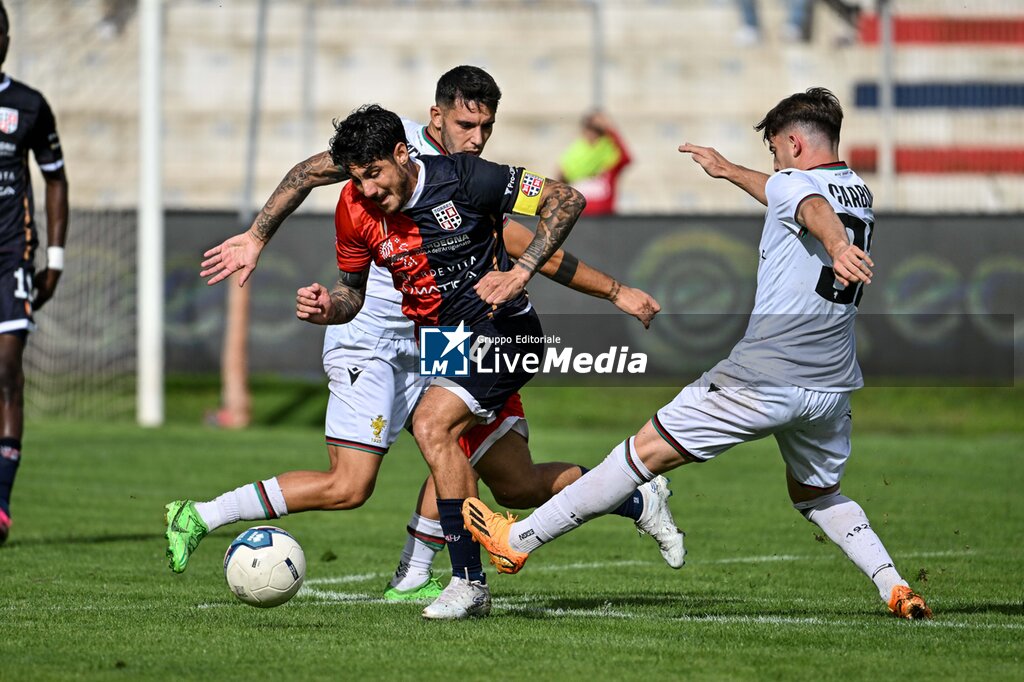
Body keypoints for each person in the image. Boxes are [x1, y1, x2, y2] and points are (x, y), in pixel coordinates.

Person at [166, 67, 682, 619]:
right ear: (435, 118)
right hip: (423, 340)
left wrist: (548, 277)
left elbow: (556, 211)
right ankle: (634, 495)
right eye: (466, 123)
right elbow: (349, 289)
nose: (477, 136)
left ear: (400, 155)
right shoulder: (359, 196)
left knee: (435, 427)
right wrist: (324, 307)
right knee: (513, 481)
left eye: (486, 125)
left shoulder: (468, 178)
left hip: (498, 330)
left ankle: (462, 581)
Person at [463, 87, 933, 620]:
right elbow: (795, 195)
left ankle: (519, 539)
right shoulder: (857, 190)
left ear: (796, 144)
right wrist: (732, 171)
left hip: (763, 379)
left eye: (775, 150)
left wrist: (835, 246)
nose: (772, 162)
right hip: (830, 387)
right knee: (818, 495)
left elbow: (808, 206)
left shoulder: (802, 191)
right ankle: (894, 585)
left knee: (639, 454)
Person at [0, 2, 69, 546]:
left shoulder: (27, 105)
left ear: (5, 37)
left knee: (7, 370)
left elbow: (54, 179)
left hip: (11, 259)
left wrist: (56, 258)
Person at [557, 110, 631, 216]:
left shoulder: (609, 153)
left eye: (597, 130)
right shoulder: (574, 151)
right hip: (578, 216)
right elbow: (561, 176)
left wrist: (609, 128)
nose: (592, 134)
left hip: (603, 216)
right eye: (589, 128)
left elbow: (625, 158)